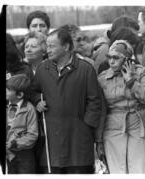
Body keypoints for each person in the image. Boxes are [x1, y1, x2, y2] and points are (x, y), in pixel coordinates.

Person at [30, 28, 102, 174]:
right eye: (46, 45)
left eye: (51, 46)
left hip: (79, 143)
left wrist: (86, 126)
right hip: (51, 144)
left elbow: (95, 102)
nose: (47, 50)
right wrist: (37, 101)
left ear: (66, 46)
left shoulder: (85, 69)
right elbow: (33, 91)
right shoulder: (42, 69)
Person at [98, 40, 145, 173]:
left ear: (127, 59)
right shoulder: (102, 77)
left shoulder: (140, 72)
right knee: (117, 170)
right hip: (113, 128)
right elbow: (98, 107)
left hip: (138, 125)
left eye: (116, 57)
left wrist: (131, 81)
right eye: (109, 57)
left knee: (142, 168)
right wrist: (98, 138)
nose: (111, 61)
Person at [6, 74, 38, 173]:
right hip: (8, 155)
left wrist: (15, 143)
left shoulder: (29, 109)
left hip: (24, 155)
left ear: (19, 95)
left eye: (8, 90)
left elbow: (32, 135)